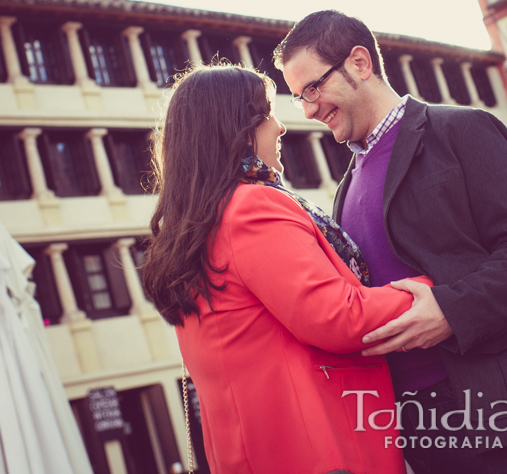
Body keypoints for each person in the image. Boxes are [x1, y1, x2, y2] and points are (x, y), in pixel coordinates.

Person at [275, 11, 507, 474]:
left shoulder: (463, 129)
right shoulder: (344, 190)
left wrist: (451, 310)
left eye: (312, 89)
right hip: (425, 435)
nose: (306, 109)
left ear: (360, 64)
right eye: (298, 96)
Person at [140, 64, 432, 474]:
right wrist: (435, 290)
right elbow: (338, 316)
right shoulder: (249, 207)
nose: (280, 127)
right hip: (320, 452)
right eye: (266, 113)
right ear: (235, 129)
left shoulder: (195, 227)